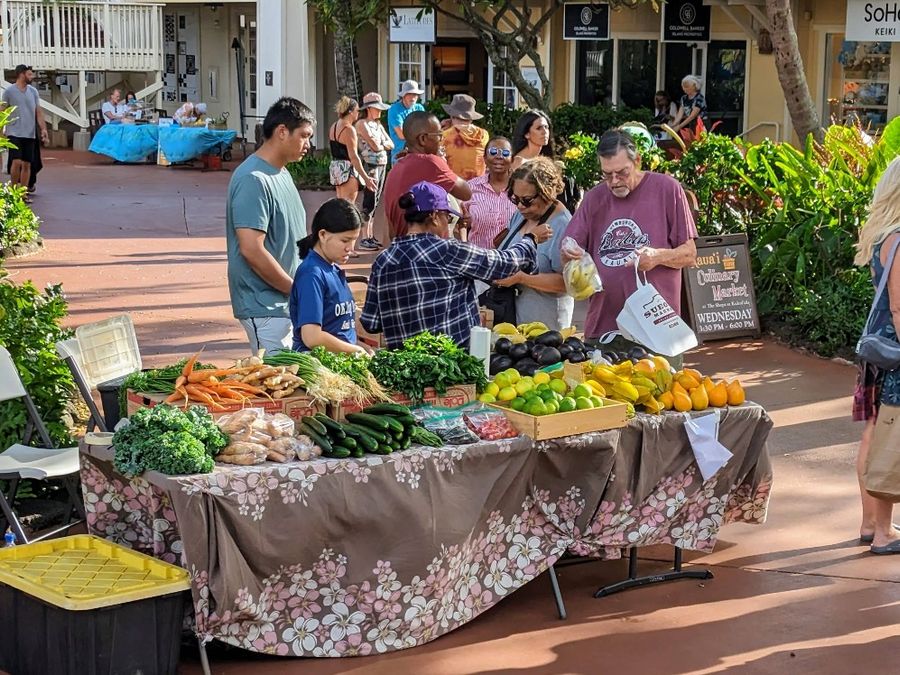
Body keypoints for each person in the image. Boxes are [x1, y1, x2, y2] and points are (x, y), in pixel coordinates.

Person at [361, 181, 549, 349]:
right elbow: (504, 264)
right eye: (448, 219)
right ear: (435, 216)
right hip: (452, 367)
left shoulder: (383, 260)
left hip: (405, 371)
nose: (448, 225)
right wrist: (530, 239)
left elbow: (371, 322)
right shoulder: (447, 250)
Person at [563, 129, 697, 363]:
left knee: (661, 395)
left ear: (637, 161)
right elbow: (569, 245)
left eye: (621, 173)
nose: (614, 182)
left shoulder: (667, 189)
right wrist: (568, 248)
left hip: (656, 329)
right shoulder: (595, 197)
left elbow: (689, 254)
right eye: (607, 175)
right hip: (604, 328)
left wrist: (656, 256)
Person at [226, 97, 316, 355]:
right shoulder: (253, 179)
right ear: (282, 132)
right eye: (304, 136)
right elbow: (251, 249)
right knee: (278, 388)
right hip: (265, 306)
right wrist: (296, 289)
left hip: (286, 304)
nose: (308, 144)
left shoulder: (281, 172)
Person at [852, 156, 900, 555]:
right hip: (896, 352)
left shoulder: (885, 234)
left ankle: (871, 522)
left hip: (879, 352)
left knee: (873, 433)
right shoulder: (899, 238)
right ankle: (883, 531)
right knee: (886, 436)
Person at [493, 157, 581, 330]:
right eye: (514, 198)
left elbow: (567, 283)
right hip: (512, 319)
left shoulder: (564, 226)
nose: (519, 206)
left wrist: (522, 278)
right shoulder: (521, 215)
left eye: (526, 200)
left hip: (545, 324)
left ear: (547, 193)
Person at [290, 199, 367, 354]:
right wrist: (355, 351)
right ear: (323, 235)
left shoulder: (333, 268)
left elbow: (338, 329)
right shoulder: (312, 274)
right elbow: (311, 337)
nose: (350, 249)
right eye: (345, 240)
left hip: (341, 362)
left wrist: (361, 346)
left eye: (354, 240)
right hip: (319, 366)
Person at [382, 111, 472, 239]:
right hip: (429, 248)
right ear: (423, 139)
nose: (441, 141)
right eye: (439, 136)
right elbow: (466, 193)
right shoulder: (432, 163)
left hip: (401, 246)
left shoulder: (396, 168)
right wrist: (441, 161)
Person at [355, 92, 393, 252]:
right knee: (369, 199)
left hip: (382, 164)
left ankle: (370, 236)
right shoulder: (362, 124)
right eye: (377, 108)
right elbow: (375, 145)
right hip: (370, 165)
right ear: (369, 108)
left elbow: (389, 143)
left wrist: (381, 143)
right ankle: (364, 238)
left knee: (376, 200)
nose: (380, 111)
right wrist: (380, 144)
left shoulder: (378, 125)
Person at [2, 65, 48, 194]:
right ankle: (14, 191)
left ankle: (23, 193)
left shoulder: (33, 92)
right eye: (29, 74)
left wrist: (43, 129)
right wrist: (1, 133)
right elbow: (2, 112)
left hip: (30, 133)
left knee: (27, 164)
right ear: (21, 74)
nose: (32, 77)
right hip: (14, 132)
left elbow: (38, 111)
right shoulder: (9, 92)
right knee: (16, 162)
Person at [464, 136, 517, 249]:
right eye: (493, 152)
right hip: (478, 260)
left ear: (512, 159)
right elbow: (459, 225)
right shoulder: (470, 187)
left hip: (514, 260)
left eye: (505, 153)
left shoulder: (520, 188)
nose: (499, 156)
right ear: (485, 158)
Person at [328, 96, 376, 215]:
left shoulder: (334, 126)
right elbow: (354, 157)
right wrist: (366, 179)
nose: (358, 113)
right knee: (348, 210)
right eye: (357, 110)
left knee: (340, 205)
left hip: (336, 168)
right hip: (347, 170)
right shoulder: (349, 129)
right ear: (350, 111)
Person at [441, 94, 490, 180]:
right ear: (471, 119)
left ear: (451, 116)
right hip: (478, 185)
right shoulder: (484, 135)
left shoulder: (445, 136)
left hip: (454, 186)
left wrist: (440, 128)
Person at [387, 80, 425, 163]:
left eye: (415, 94)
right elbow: (401, 134)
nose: (413, 97)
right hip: (400, 155)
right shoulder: (394, 109)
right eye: (410, 94)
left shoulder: (419, 108)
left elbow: (425, 129)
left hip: (418, 153)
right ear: (403, 95)